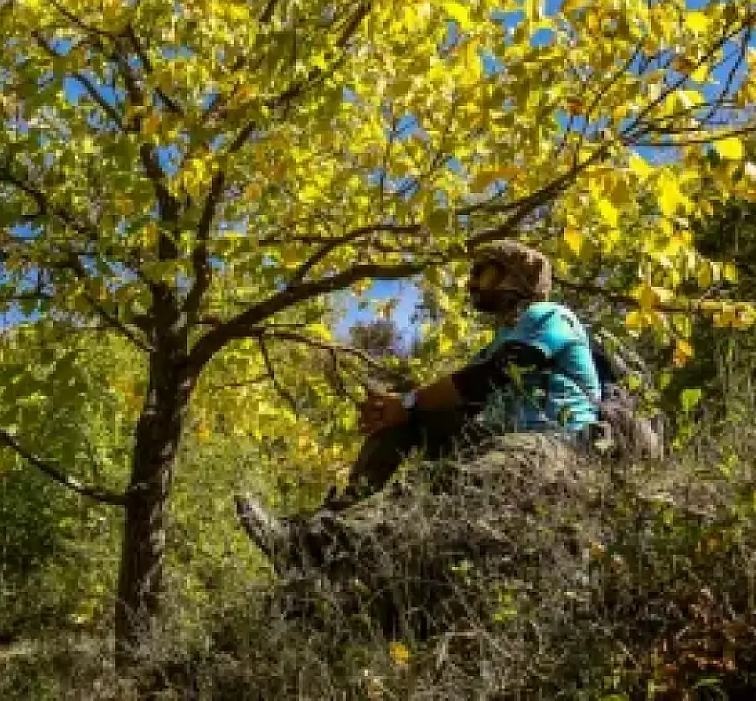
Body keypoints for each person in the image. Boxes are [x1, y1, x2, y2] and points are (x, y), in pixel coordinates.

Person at [236, 240, 602, 568]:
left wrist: (408, 402)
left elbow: (494, 375)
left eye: (483, 272)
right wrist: (401, 408)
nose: (471, 282)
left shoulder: (549, 315)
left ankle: (322, 547)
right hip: (503, 437)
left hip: (557, 441)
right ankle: (334, 518)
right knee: (409, 416)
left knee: (454, 479)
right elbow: (459, 394)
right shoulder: (501, 338)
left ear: (515, 278)